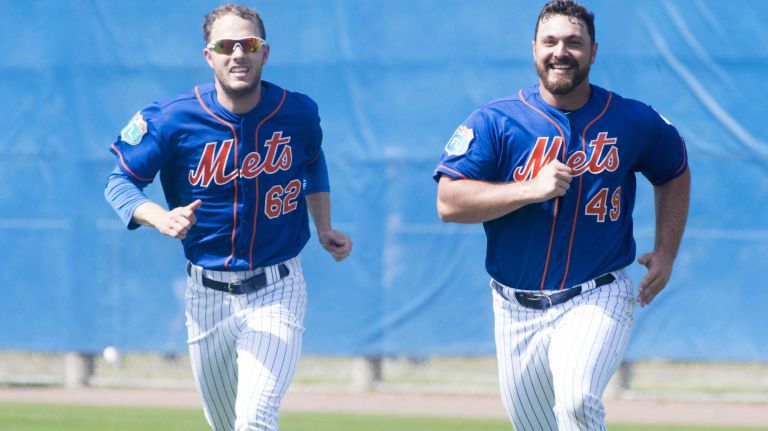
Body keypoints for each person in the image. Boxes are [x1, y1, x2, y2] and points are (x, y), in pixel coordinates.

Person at [434, 1, 690, 429]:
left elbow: (674, 170)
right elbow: (449, 202)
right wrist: (529, 189)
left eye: (574, 42)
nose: (561, 51)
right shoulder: (496, 121)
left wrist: (667, 251)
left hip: (597, 292)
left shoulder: (631, 119)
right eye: (550, 41)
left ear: (593, 51)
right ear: (533, 48)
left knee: (576, 403)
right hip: (514, 306)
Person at [104, 4, 352, 430]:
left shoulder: (298, 113)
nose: (238, 54)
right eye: (226, 46)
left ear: (264, 53)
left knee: (254, 417)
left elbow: (313, 160)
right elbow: (119, 183)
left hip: (278, 287)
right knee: (224, 423)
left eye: (249, 44)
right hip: (206, 295)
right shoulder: (171, 118)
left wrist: (323, 225)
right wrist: (159, 218)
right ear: (209, 56)